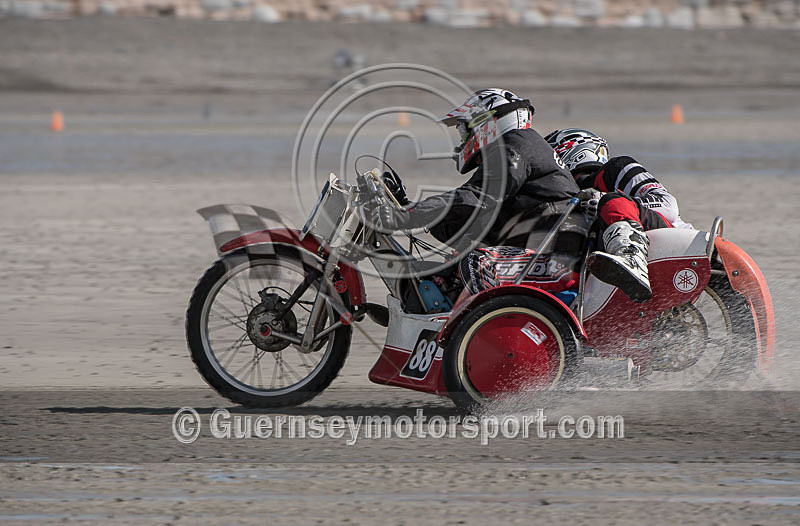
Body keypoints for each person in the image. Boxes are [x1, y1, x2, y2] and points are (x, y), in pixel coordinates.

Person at [545, 128, 694, 302]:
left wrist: (604, 200)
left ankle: (631, 259)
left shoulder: (616, 168)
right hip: (636, 254)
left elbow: (668, 206)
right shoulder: (569, 194)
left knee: (612, 202)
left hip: (676, 239)